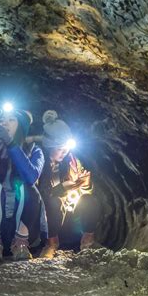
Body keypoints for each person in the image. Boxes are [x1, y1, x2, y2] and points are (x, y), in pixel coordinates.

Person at [0, 108, 44, 262]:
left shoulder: (35, 151)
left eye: (11, 119)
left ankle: (20, 245)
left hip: (22, 227)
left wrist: (11, 145)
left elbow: (30, 177)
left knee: (29, 189)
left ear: (21, 127)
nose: (5, 122)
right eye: (3, 119)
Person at [37, 110, 101, 259]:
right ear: (49, 146)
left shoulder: (72, 161)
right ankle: (51, 244)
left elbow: (87, 193)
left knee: (90, 200)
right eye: (60, 148)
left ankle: (87, 242)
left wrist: (85, 184)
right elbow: (35, 195)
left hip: (71, 218)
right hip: (47, 220)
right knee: (53, 203)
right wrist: (61, 189)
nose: (64, 152)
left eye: (66, 148)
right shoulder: (38, 161)